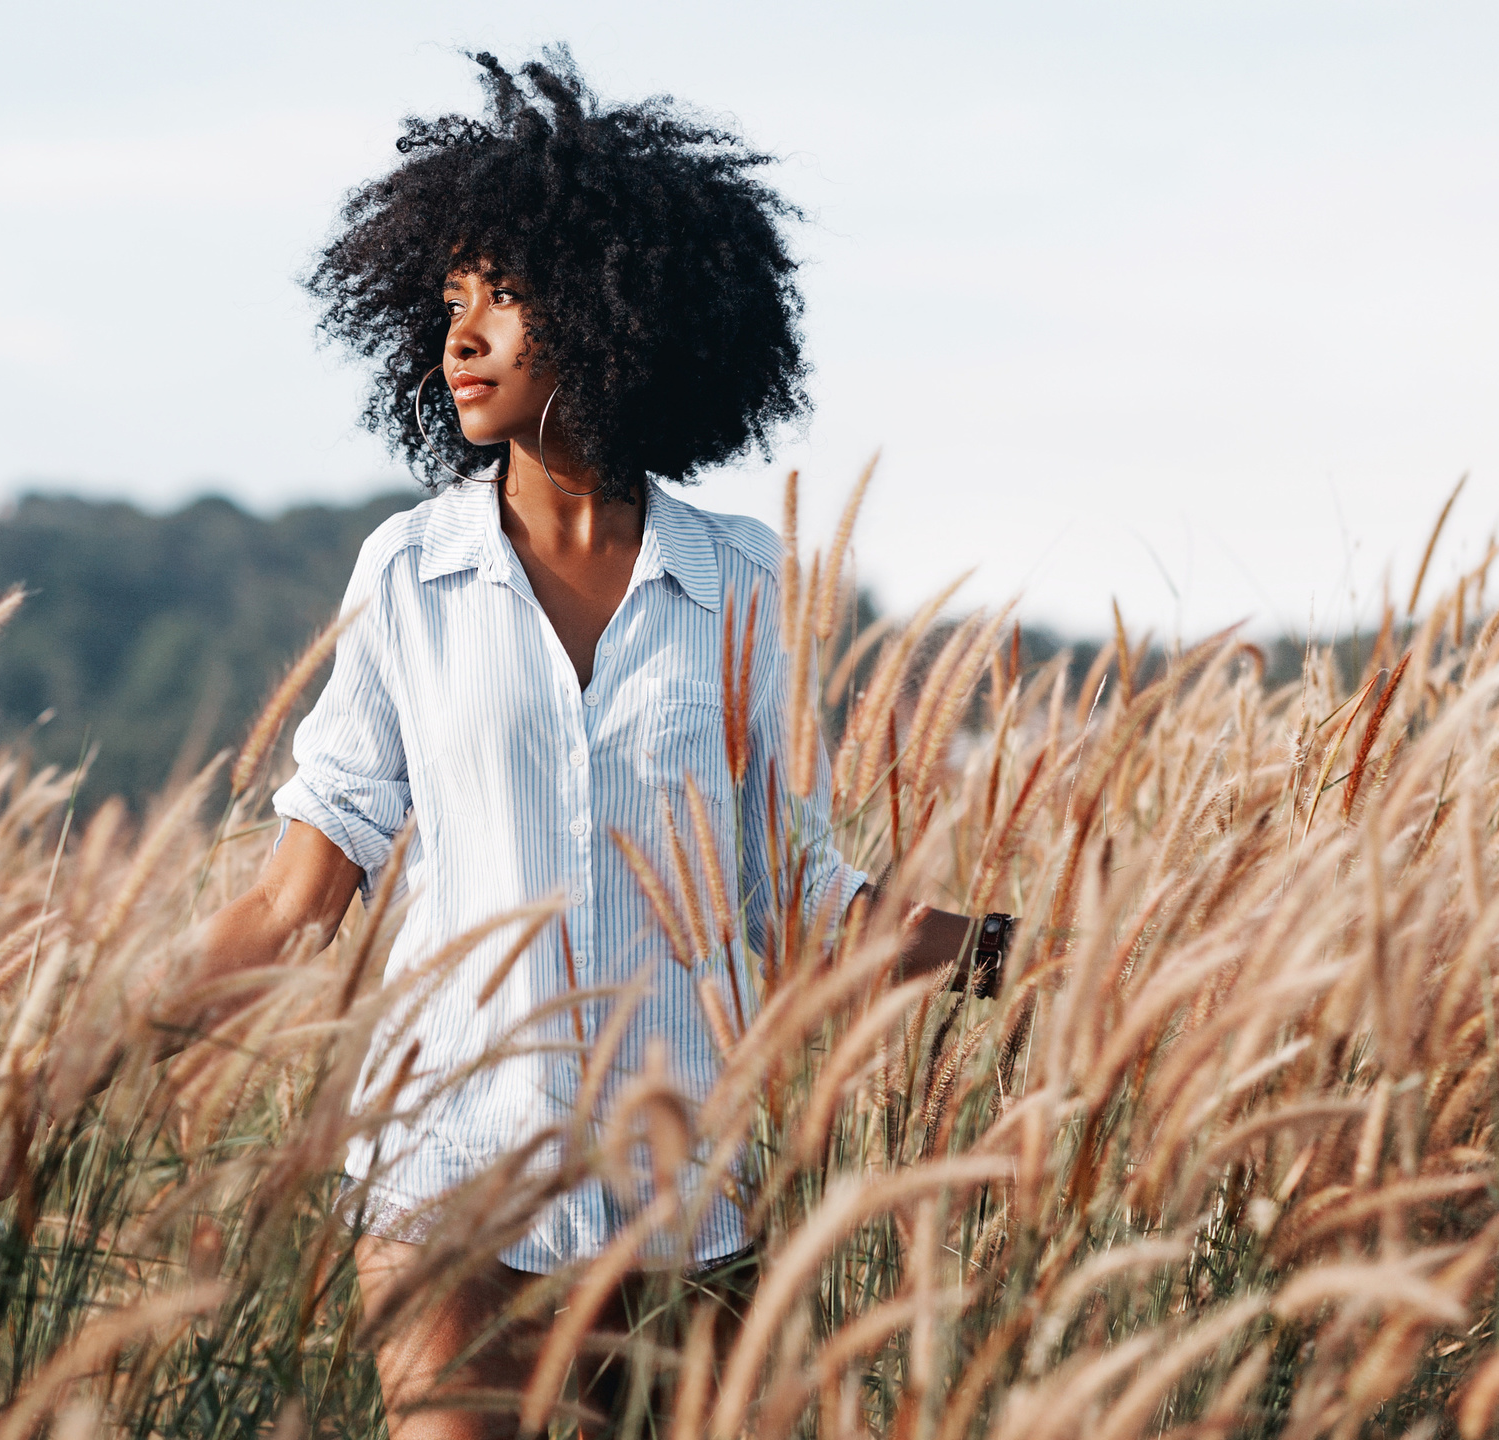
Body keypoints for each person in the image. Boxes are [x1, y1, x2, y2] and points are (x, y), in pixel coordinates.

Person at [167, 52, 1002, 1439]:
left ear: (621, 304)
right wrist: (100, 1052)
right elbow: (296, 893)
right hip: (448, 1176)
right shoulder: (410, 575)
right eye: (450, 303)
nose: (464, 335)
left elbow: (791, 890)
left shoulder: (737, 580)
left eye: (507, 295)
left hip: (682, 1192)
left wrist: (1028, 956)